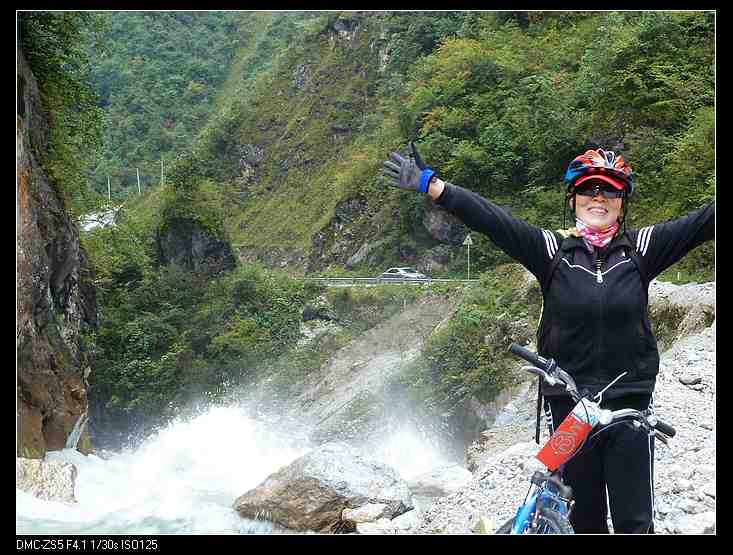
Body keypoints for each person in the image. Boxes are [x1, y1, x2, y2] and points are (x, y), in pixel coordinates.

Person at [382, 143, 715, 534]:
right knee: (583, 520)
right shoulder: (552, 251)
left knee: (635, 522)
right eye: (589, 189)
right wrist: (434, 186)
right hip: (569, 404)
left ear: (622, 203)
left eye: (609, 190)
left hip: (630, 405)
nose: (599, 197)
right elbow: (494, 221)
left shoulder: (642, 250)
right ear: (573, 199)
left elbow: (703, 222)